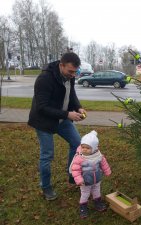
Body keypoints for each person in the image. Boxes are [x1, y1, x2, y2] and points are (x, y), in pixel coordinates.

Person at [28, 52, 86, 201]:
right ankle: (46, 187)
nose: (73, 75)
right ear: (61, 65)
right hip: (44, 121)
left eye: (75, 72)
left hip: (62, 119)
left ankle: (72, 174)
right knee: (47, 155)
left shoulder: (69, 78)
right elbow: (42, 107)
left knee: (77, 144)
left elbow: (71, 95)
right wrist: (67, 114)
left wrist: (78, 107)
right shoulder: (44, 79)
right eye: (70, 71)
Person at [70, 130, 111, 218]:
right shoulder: (80, 158)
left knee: (97, 191)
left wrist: (107, 171)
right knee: (85, 194)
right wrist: (79, 180)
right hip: (85, 182)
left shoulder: (99, 156)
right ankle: (83, 207)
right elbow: (75, 170)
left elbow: (104, 164)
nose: (84, 149)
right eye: (83, 147)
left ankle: (97, 203)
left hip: (97, 179)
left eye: (87, 148)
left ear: (94, 148)